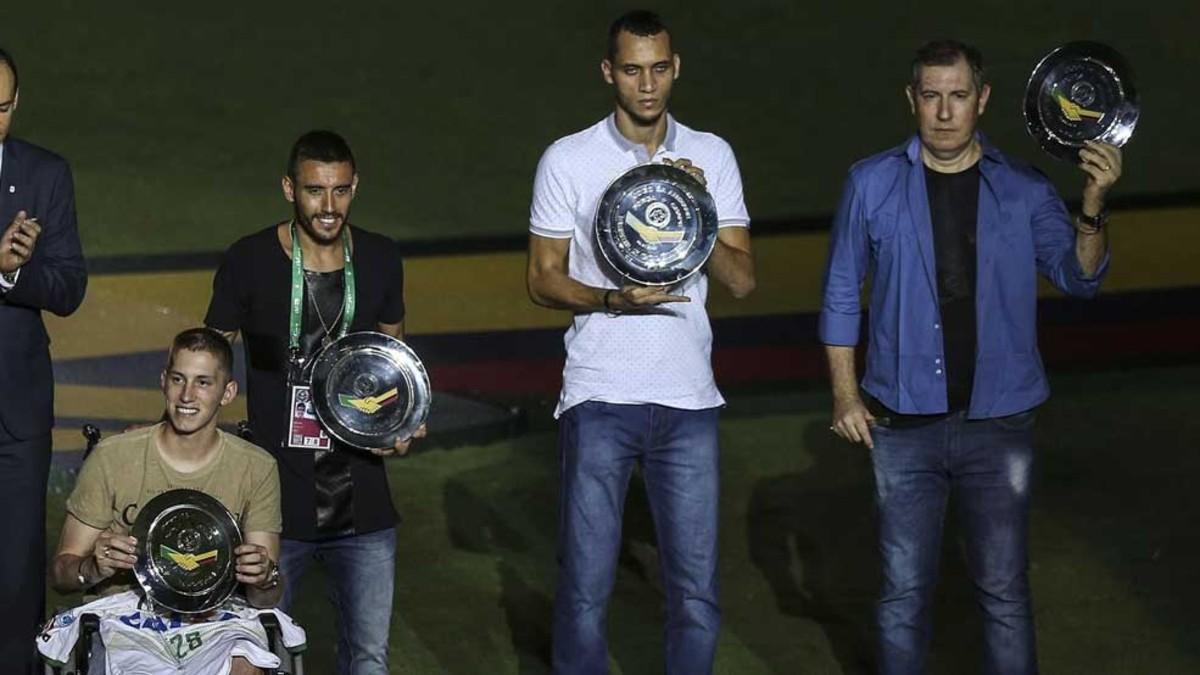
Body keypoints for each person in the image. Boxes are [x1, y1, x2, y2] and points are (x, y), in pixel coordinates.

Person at [819, 40, 1122, 673]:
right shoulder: (869, 182)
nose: (946, 111)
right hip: (902, 426)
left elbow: (1078, 278)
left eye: (959, 95)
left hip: (999, 425)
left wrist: (1091, 207)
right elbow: (843, 292)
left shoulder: (1024, 190)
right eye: (932, 95)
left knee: (1005, 593)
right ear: (912, 100)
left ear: (981, 100)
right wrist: (846, 396)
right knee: (902, 594)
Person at [526, 11, 755, 674]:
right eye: (632, 69)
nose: (646, 83)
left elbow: (741, 281)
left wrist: (697, 207)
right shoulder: (568, 158)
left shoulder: (711, 156)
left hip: (689, 400)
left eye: (658, 67)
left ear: (676, 66)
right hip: (599, 394)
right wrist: (609, 299)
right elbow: (541, 280)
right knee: (585, 588)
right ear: (609, 73)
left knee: (695, 592)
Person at [205, 129, 419, 674]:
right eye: (315, 191)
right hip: (273, 505)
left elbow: (394, 357)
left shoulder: (379, 257)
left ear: (355, 188)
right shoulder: (249, 260)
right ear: (288, 188)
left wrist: (405, 419)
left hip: (364, 499)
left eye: (341, 191)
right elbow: (208, 359)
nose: (329, 207)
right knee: (261, 655)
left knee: (369, 658)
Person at [47, 327, 285, 674]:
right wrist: (91, 568)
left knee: (246, 665)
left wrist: (264, 577)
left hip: (217, 617)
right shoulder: (113, 457)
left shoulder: (256, 467)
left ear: (227, 392)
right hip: (124, 616)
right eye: (178, 379)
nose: (187, 395)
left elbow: (266, 598)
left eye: (203, 382)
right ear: (163, 382)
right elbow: (61, 574)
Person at [0, 45, 88, 673]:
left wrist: (15, 275)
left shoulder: (44, 174)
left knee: (14, 575)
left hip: (16, 414)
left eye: (2, 108)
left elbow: (68, 287)